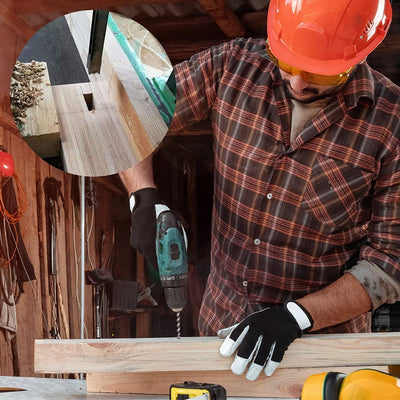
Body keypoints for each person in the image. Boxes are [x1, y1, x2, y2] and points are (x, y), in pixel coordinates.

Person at [120, 0, 400, 381]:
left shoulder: (391, 124)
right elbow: (132, 114)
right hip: (222, 331)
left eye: (319, 73)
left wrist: (297, 316)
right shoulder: (232, 66)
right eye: (288, 62)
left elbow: (389, 262)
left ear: (358, 56)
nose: (298, 83)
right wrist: (142, 195)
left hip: (322, 352)